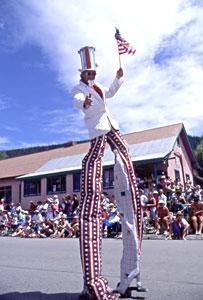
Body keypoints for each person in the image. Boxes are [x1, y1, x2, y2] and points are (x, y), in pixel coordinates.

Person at [72, 46, 143, 300]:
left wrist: (118, 77)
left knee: (125, 153)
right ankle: (88, 286)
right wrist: (86, 101)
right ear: (82, 72)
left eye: (93, 71)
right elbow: (78, 102)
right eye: (88, 72)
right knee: (95, 161)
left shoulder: (99, 84)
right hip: (98, 130)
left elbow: (110, 93)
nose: (91, 75)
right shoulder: (78, 89)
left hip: (111, 125)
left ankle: (131, 273)